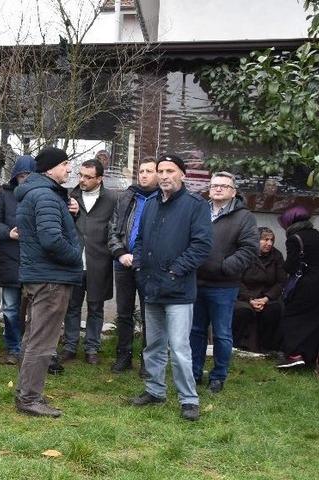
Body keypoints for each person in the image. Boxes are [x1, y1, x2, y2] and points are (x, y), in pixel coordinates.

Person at [130, 154, 212, 422]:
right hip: (151, 287)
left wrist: (176, 270)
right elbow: (139, 240)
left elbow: (201, 246)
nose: (164, 176)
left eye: (170, 171)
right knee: (153, 345)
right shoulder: (151, 203)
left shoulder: (196, 205)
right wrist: (139, 265)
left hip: (178, 290)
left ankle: (189, 400)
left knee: (178, 348)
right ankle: (155, 391)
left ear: (182, 174)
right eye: (161, 171)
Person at [14, 147, 81, 417]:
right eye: (65, 164)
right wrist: (76, 256)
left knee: (33, 337)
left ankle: (25, 393)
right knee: (42, 342)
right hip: (51, 278)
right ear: (50, 168)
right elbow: (51, 239)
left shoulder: (39, 193)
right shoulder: (45, 195)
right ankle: (30, 398)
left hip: (40, 275)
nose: (69, 169)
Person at [190, 172, 258, 393]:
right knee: (196, 331)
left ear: (233, 191)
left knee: (221, 334)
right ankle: (194, 372)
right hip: (196, 282)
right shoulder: (200, 211)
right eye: (214, 185)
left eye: (224, 186)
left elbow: (249, 249)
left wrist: (225, 267)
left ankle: (218, 376)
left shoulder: (244, 217)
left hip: (223, 286)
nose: (218, 189)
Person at [61, 159, 117, 365]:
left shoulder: (111, 199)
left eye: (88, 176)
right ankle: (70, 346)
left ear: (99, 179)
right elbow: (62, 226)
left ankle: (92, 347)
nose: (82, 180)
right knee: (72, 306)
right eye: (80, 175)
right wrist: (73, 215)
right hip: (74, 262)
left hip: (99, 262)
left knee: (96, 307)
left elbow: (115, 228)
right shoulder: (70, 197)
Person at [107, 157, 160, 374]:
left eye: (149, 171)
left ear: (158, 174)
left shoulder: (163, 199)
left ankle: (148, 361)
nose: (144, 175)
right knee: (124, 313)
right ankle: (124, 356)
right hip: (124, 263)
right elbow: (113, 229)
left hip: (149, 266)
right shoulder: (127, 197)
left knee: (150, 314)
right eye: (141, 171)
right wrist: (120, 253)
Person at [0, 155, 35, 365]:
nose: (25, 179)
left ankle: (32, 349)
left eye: (29, 175)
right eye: (22, 175)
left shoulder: (42, 194)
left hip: (35, 261)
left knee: (37, 309)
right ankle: (14, 348)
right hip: (10, 259)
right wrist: (9, 233)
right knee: (10, 307)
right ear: (15, 176)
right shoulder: (5, 196)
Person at [276, 206, 319, 369]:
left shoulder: (294, 238)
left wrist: (282, 267)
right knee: (315, 321)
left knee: (292, 317)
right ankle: (308, 357)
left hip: (308, 286)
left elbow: (291, 266)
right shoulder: (316, 235)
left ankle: (293, 355)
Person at [233, 227, 287, 353]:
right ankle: (238, 345)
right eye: (265, 239)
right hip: (244, 296)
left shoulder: (277, 256)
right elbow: (236, 280)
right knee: (243, 311)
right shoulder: (245, 254)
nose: (269, 243)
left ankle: (266, 348)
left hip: (267, 296)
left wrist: (266, 298)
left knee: (273, 310)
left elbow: (281, 281)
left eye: (271, 240)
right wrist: (250, 299)